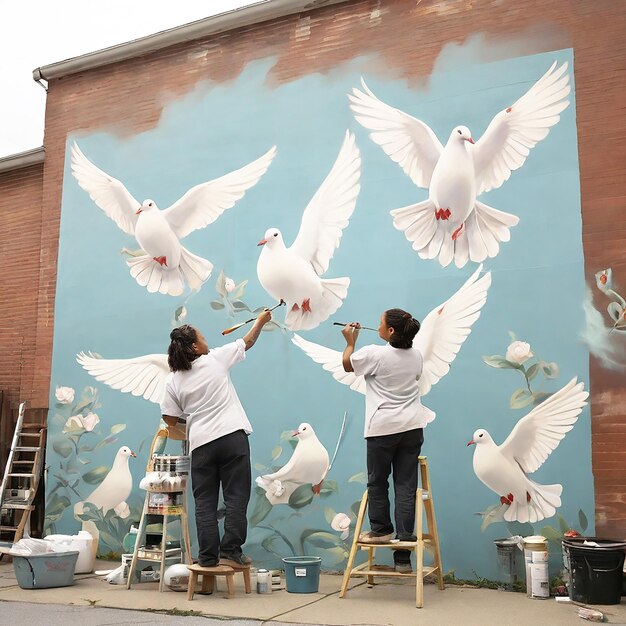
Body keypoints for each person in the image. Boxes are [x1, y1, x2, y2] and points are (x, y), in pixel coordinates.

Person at [160, 309, 272, 568]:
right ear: (194, 346)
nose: (206, 341)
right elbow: (249, 341)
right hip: (232, 438)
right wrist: (261, 321)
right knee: (236, 497)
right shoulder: (215, 359)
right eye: (202, 338)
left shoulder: (173, 381)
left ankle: (208, 558)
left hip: (201, 445)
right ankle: (231, 550)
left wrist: (194, 419)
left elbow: (169, 419)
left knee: (205, 503)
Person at [341, 308, 431, 573]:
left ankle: (380, 530)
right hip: (412, 427)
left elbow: (347, 365)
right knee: (405, 485)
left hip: (382, 430)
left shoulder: (375, 353)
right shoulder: (416, 356)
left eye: (381, 323)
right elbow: (412, 378)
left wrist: (349, 342)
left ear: (391, 331)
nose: (377, 325)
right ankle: (403, 555)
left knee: (377, 481)